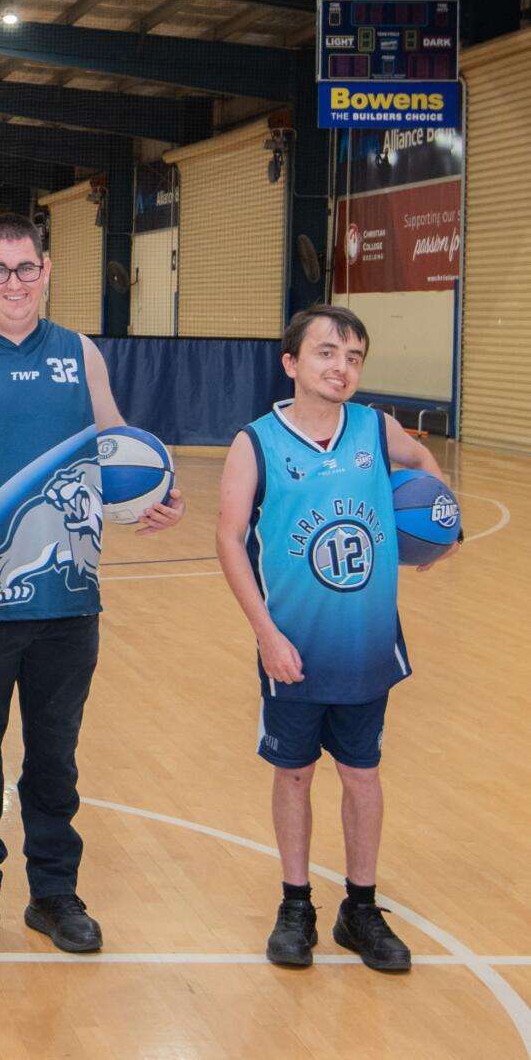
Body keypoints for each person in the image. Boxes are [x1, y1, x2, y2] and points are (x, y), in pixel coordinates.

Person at [0, 213, 184, 955]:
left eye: (27, 269)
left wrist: (149, 495)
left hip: (69, 601)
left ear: (47, 271)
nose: (15, 283)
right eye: (0, 270)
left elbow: (116, 445)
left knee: (55, 756)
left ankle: (54, 896)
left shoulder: (78, 353)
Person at [214, 305, 456, 972]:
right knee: (293, 775)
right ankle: (295, 906)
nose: (340, 367)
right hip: (291, 645)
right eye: (325, 354)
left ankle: (360, 908)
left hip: (366, 644)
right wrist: (265, 633)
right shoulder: (257, 442)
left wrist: (439, 528)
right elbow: (229, 540)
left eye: (352, 357)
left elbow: (427, 467)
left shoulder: (376, 430)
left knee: (363, 775)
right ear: (291, 364)